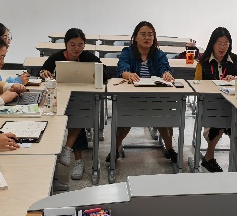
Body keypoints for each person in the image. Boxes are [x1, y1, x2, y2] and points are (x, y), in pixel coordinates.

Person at [39, 28, 110, 185]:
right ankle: (75, 157)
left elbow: (106, 72)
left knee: (78, 114)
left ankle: (71, 152)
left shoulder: (88, 57)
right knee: (77, 116)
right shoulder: (56, 57)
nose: (76, 48)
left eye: (80, 45)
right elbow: (43, 71)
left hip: (83, 98)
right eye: (72, 45)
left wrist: (98, 74)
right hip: (62, 98)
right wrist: (44, 73)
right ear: (66, 44)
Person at [111, 21, 177, 164]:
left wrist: (166, 74)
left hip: (155, 99)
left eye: (150, 35)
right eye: (143, 34)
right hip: (132, 98)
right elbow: (122, 68)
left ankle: (170, 149)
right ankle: (114, 149)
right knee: (124, 119)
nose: (147, 38)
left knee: (165, 116)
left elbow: (164, 68)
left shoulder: (158, 54)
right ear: (135, 37)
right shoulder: (127, 52)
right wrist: (128, 74)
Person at [194, 27, 237, 173]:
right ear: (212, 44)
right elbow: (197, 87)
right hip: (210, 105)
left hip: (233, 104)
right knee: (221, 116)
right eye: (219, 43)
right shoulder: (202, 63)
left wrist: (235, 79)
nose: (222, 47)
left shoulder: (236, 60)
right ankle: (209, 157)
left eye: (226, 43)